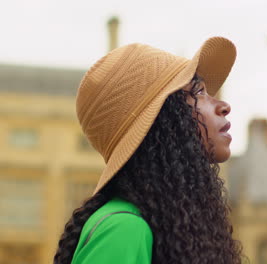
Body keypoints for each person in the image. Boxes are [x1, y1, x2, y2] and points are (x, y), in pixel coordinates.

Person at [53, 37, 243, 264]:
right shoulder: (123, 229)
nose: (223, 106)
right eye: (198, 92)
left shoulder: (167, 226)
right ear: (164, 120)